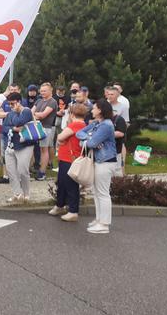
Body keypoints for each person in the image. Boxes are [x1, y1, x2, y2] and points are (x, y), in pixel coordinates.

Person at [76, 99, 117, 234]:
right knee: (97, 192)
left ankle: (104, 224)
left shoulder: (106, 125)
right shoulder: (97, 124)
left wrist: (88, 141)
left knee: (103, 193)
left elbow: (92, 143)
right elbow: (79, 133)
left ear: (100, 110)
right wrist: (89, 139)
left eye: (94, 108)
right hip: (100, 161)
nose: (91, 110)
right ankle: (99, 220)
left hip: (105, 162)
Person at [49, 103, 88, 221]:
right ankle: (60, 205)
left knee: (70, 185)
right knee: (62, 183)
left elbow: (60, 137)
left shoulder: (75, 124)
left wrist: (62, 136)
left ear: (72, 114)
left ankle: (73, 211)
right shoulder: (83, 124)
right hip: (69, 158)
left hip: (69, 159)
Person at [2, 92, 34, 203]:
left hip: (24, 145)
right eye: (9, 104)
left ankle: (26, 194)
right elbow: (5, 128)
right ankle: (17, 193)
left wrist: (15, 117)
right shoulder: (10, 113)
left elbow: (18, 121)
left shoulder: (26, 111)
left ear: (19, 102)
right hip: (11, 145)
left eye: (13, 103)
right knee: (11, 171)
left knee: (22, 170)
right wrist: (14, 128)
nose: (11, 106)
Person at [32, 82, 57, 180]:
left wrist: (35, 115)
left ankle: (42, 172)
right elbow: (30, 112)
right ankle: (34, 169)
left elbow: (43, 115)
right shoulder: (38, 101)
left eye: (44, 91)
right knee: (33, 149)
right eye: (41, 91)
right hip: (35, 126)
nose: (42, 92)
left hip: (46, 128)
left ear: (51, 90)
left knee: (44, 149)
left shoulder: (52, 101)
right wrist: (36, 115)